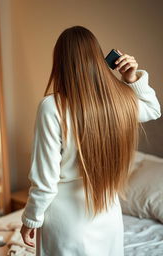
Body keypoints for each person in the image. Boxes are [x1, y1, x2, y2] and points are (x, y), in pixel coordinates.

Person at [20, 26, 161, 256]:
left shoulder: (52, 107)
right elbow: (153, 109)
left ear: (60, 62)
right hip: (109, 221)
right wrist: (132, 79)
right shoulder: (119, 103)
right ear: (97, 58)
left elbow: (45, 179)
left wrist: (31, 220)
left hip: (65, 224)